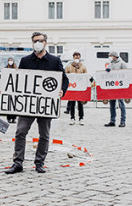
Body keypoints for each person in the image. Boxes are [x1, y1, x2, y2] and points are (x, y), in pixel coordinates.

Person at [5, 32, 69, 174]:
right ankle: (17, 163)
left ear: (46, 42)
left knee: (44, 135)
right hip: (27, 105)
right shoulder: (25, 60)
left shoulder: (54, 61)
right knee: (20, 132)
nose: (38, 43)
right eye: (35, 41)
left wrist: (61, 91)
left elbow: (64, 80)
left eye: (40, 40)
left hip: (45, 105)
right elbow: (19, 81)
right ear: (32, 43)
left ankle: (39, 162)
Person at [104, 51, 128, 127]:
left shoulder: (122, 63)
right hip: (112, 87)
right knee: (112, 105)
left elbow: (126, 73)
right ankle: (112, 120)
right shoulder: (111, 63)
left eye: (110, 55)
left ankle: (122, 121)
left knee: (121, 104)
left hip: (119, 87)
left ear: (114, 56)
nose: (109, 57)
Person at [65, 51, 87, 125]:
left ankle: (81, 118)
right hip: (72, 88)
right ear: (73, 57)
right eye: (75, 56)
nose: (76, 58)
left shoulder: (83, 67)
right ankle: (72, 118)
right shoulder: (69, 67)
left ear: (80, 58)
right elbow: (66, 76)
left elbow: (86, 76)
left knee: (80, 104)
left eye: (78, 57)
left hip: (80, 88)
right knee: (72, 104)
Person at [5, 57, 18, 124]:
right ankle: (9, 118)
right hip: (8, 89)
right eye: (9, 60)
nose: (10, 62)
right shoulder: (5, 68)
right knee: (8, 104)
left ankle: (14, 118)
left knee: (14, 104)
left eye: (11, 60)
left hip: (14, 89)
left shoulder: (16, 68)